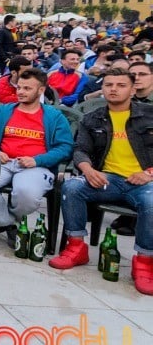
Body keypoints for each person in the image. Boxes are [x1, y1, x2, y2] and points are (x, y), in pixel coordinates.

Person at [49, 68, 153, 295]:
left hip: (144, 181)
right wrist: (87, 169)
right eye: (108, 85)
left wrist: (149, 173)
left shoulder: (149, 115)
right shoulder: (92, 118)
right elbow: (80, 150)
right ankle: (76, 246)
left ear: (133, 89)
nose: (113, 89)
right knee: (72, 186)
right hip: (108, 178)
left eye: (120, 85)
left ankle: (144, 261)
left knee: (151, 200)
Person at [0, 69, 74, 244]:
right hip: (4, 161)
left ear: (41, 90)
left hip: (36, 165)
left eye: (27, 88)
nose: (20, 92)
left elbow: (65, 147)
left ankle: (2, 217)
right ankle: (9, 224)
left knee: (26, 194)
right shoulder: (4, 111)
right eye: (19, 87)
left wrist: (38, 160)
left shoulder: (54, 116)